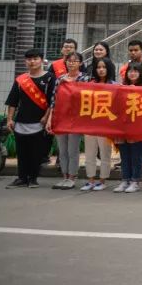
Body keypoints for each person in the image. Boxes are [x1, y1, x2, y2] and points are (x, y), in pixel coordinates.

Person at [5, 49, 56, 188]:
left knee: (37, 152)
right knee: (22, 152)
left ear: (41, 60)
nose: (32, 62)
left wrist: (46, 117)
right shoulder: (21, 80)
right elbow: (13, 101)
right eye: (29, 59)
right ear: (25, 61)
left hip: (40, 122)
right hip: (21, 121)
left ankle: (33, 178)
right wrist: (10, 119)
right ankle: (22, 178)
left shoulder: (50, 78)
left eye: (35, 58)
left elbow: (52, 101)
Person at [48, 51, 85, 190]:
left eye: (75, 61)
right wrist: (50, 119)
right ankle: (64, 176)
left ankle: (72, 177)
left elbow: (86, 97)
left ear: (80, 63)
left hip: (76, 120)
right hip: (60, 118)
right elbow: (54, 100)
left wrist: (72, 85)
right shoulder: (60, 79)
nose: (71, 63)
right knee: (62, 150)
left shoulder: (85, 78)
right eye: (69, 60)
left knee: (72, 150)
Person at [81, 56, 117, 192]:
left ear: (109, 69)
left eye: (104, 67)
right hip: (90, 124)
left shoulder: (115, 86)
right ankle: (90, 180)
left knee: (105, 153)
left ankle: (102, 180)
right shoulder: (90, 84)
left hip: (106, 125)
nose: (101, 70)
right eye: (98, 67)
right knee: (89, 153)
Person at [116, 62, 142, 193]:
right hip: (123, 126)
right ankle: (125, 180)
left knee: (136, 155)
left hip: (138, 126)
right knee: (124, 155)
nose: (132, 73)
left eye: (135, 71)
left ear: (140, 73)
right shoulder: (121, 88)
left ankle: (135, 181)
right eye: (130, 71)